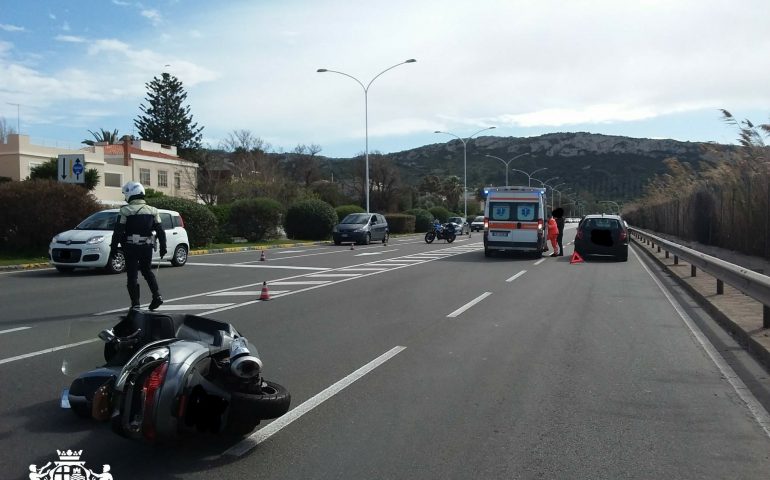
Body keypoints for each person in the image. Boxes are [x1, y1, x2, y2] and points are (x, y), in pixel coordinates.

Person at [110, 181, 167, 311]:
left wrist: (113, 248)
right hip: (147, 247)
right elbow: (160, 231)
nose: (125, 197)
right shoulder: (153, 210)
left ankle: (135, 304)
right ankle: (157, 296)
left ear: (131, 194)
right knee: (147, 271)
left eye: (126, 194)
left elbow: (118, 232)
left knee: (132, 275)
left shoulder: (125, 210)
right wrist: (163, 247)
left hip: (130, 247)